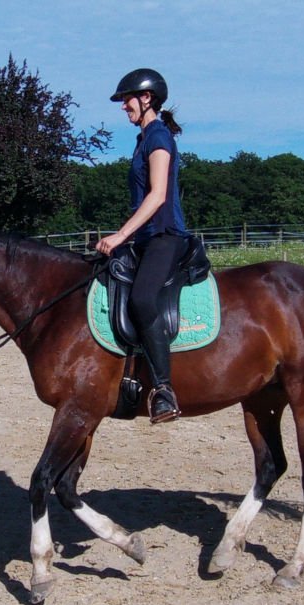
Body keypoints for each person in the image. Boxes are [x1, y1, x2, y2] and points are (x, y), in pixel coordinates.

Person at [94, 67, 190, 423]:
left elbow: (158, 195)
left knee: (143, 298)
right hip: (145, 238)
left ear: (146, 98)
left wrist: (121, 235)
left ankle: (164, 389)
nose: (123, 107)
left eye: (126, 100)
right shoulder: (143, 138)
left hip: (165, 236)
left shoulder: (159, 138)